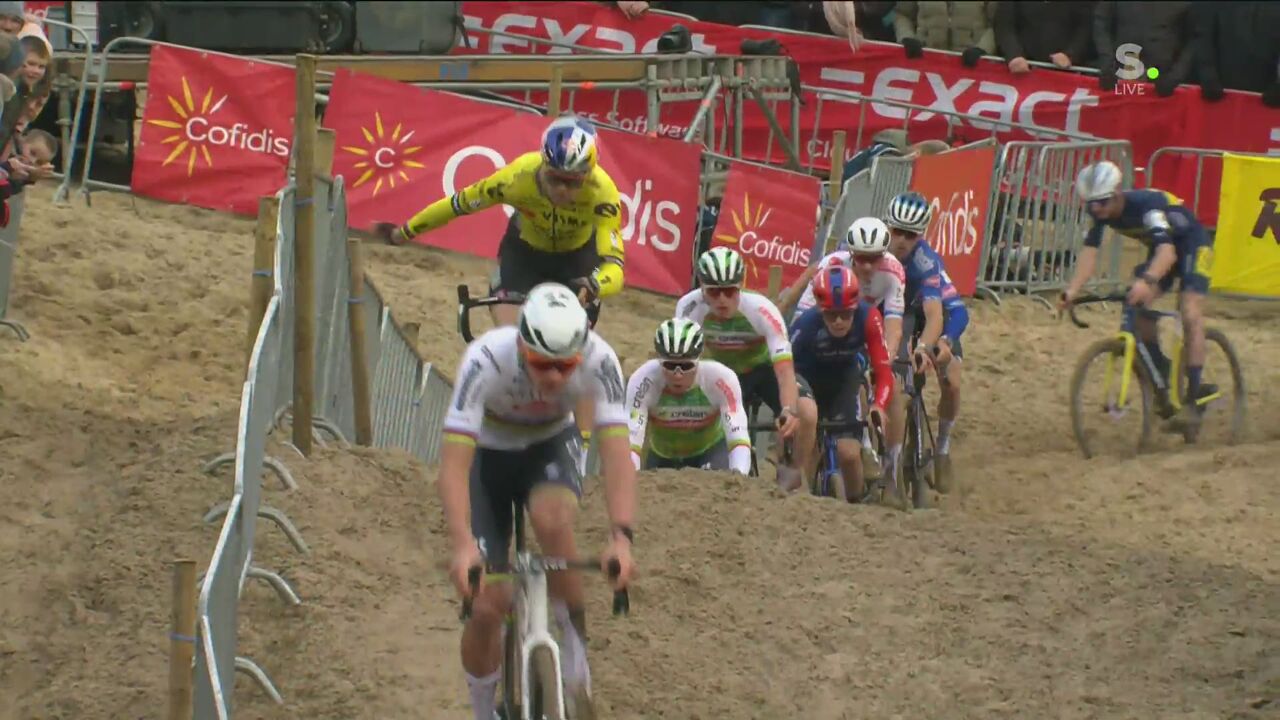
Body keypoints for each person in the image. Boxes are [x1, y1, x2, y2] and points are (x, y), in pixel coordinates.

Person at [438, 282, 636, 720]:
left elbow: (617, 452)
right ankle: (481, 710)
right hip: (487, 456)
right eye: (541, 364)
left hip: (548, 444)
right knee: (489, 604)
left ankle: (573, 642)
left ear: (581, 355)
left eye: (565, 367)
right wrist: (462, 543)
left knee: (552, 518)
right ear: (521, 345)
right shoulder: (486, 359)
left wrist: (621, 536)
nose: (552, 378)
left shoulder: (602, 361)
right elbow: (453, 465)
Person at [375, 114, 625, 329]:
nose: (562, 190)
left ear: (588, 174)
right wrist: (403, 233)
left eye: (572, 183)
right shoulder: (515, 178)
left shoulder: (603, 193)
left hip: (578, 261)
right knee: (510, 337)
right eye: (555, 179)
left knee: (568, 343)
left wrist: (595, 285)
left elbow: (614, 268)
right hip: (524, 254)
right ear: (543, 165)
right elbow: (456, 206)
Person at [1058, 160, 1218, 436]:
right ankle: (1166, 376)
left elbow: (1168, 254)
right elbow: (1089, 254)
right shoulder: (1100, 211)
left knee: (1190, 310)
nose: (1098, 210)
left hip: (1192, 245)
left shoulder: (1148, 207)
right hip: (1162, 251)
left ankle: (1193, 394)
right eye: (1092, 204)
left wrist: (1147, 281)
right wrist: (1072, 290)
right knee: (1137, 305)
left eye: (1104, 202)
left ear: (1118, 192)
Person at [675, 247, 818, 492]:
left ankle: (794, 472)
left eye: (730, 291)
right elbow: (684, 360)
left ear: (741, 285)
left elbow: (784, 371)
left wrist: (788, 410)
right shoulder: (689, 307)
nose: (722, 299)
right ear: (701, 287)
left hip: (763, 370)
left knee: (806, 412)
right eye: (714, 291)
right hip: (722, 371)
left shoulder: (761, 310)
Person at [884, 192, 968, 492]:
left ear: (921, 235)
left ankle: (942, 450)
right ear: (887, 227)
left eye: (911, 235)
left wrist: (935, 345)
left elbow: (943, 314)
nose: (902, 241)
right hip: (897, 314)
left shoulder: (925, 261)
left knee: (953, 379)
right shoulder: (874, 250)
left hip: (930, 314)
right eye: (897, 232)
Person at [789, 264, 894, 503]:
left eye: (846, 314)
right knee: (807, 437)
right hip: (807, 378)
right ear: (819, 309)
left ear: (856, 307)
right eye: (831, 314)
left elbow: (883, 368)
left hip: (843, 379)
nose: (838, 321)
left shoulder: (869, 318)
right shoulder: (805, 326)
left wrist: (879, 404)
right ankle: (798, 493)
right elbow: (783, 367)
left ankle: (858, 502)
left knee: (849, 453)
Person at [626, 318, 752, 474]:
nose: (678, 375)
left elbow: (738, 438)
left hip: (709, 452)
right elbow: (631, 441)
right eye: (669, 365)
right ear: (659, 361)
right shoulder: (643, 381)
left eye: (686, 366)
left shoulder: (721, 379)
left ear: (699, 360)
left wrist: (738, 477)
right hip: (663, 456)